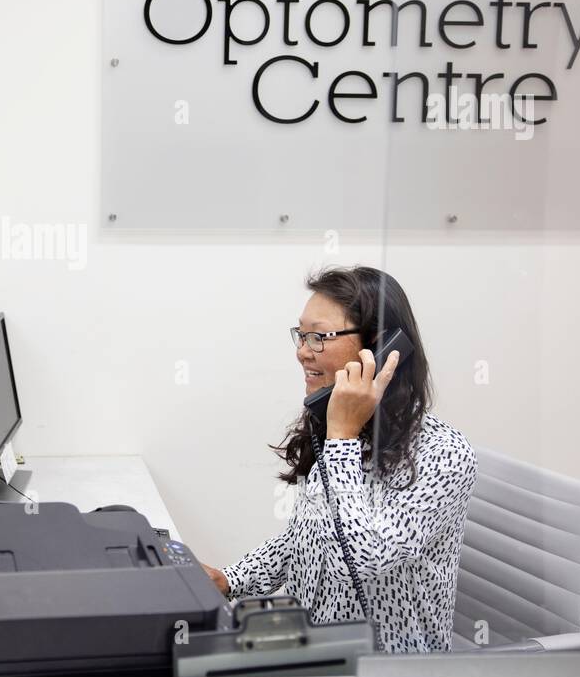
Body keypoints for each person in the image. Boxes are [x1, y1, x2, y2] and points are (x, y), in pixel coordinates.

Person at [201, 265, 477, 653]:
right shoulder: (342, 430)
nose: (301, 352)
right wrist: (230, 580)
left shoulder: (444, 454)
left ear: (382, 349)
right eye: (301, 335)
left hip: (387, 666)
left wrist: (341, 438)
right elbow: (309, 536)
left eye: (318, 337)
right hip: (314, 649)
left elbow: (367, 556)